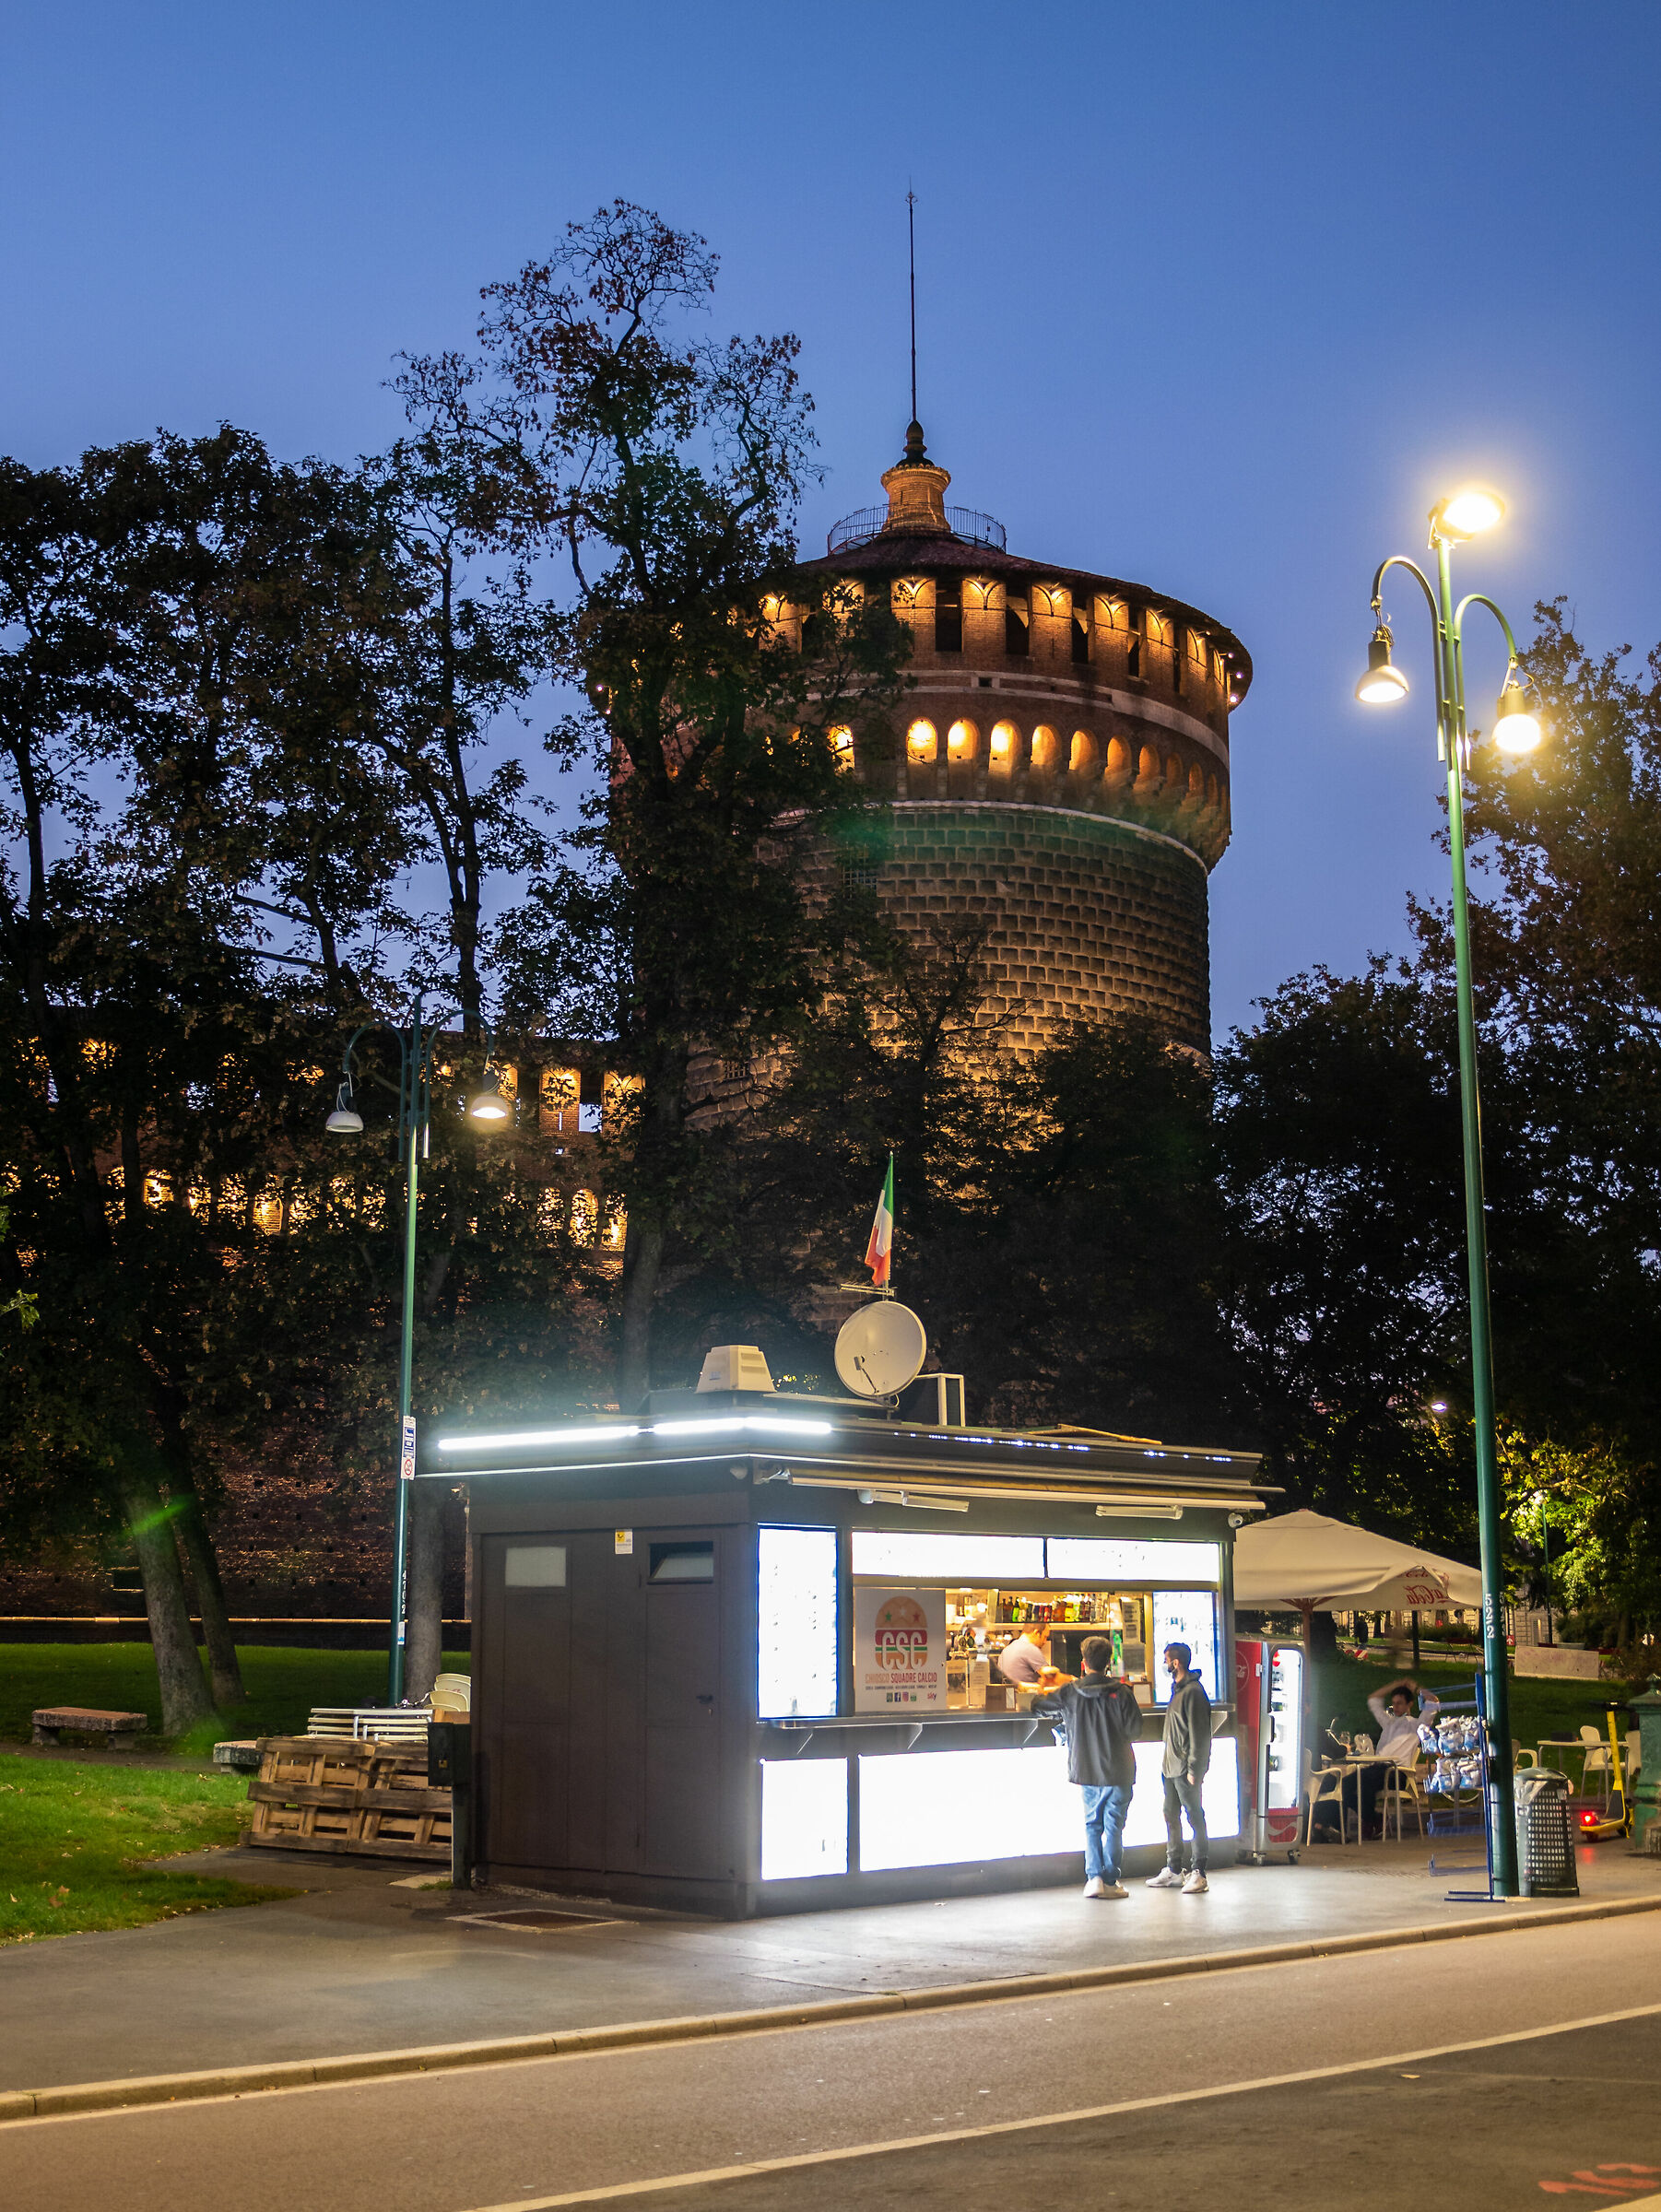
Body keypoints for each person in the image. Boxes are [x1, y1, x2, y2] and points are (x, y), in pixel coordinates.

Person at [1031, 1635, 1141, 1899]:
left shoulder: (1070, 1692)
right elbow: (1135, 1730)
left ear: (1084, 1663)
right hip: (1120, 1770)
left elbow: (1038, 1707)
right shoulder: (1123, 1693)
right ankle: (1111, 1881)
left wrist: (1044, 1688)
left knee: (1093, 1825)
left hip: (1087, 1770)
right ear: (1108, 1662)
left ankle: (1094, 1879)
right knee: (1114, 1828)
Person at [1147, 1641, 1211, 1894]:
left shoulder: (1193, 1692)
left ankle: (1199, 1872)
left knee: (1194, 1817)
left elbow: (1200, 1734)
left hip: (1184, 1769)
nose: (1164, 1665)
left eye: (1166, 1661)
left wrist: (1195, 1769)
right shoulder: (1178, 1690)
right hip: (1171, 1767)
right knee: (1170, 1815)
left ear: (1176, 1663)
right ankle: (1174, 1869)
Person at [996, 1622, 1053, 1688]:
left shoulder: (1005, 1651)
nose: (1045, 1642)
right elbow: (1052, 1678)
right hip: (1028, 1694)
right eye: (1045, 1637)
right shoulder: (1030, 1649)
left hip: (1009, 1693)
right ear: (1036, 1633)